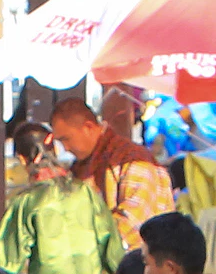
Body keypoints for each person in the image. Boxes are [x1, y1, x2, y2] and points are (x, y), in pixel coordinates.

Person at [51, 90, 175, 254]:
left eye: (66, 139)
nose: (65, 148)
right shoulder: (79, 167)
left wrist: (83, 245)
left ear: (88, 127)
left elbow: (134, 220)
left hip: (141, 262)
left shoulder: (132, 158)